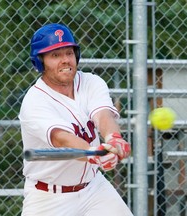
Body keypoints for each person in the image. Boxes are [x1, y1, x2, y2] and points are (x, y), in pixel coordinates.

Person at [19, 23, 133, 216]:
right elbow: (61, 139)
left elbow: (103, 115)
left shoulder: (91, 82)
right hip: (50, 197)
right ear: (40, 62)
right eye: (55, 55)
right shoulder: (35, 100)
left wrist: (114, 138)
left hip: (94, 188)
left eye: (69, 53)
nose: (65, 60)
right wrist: (94, 154)